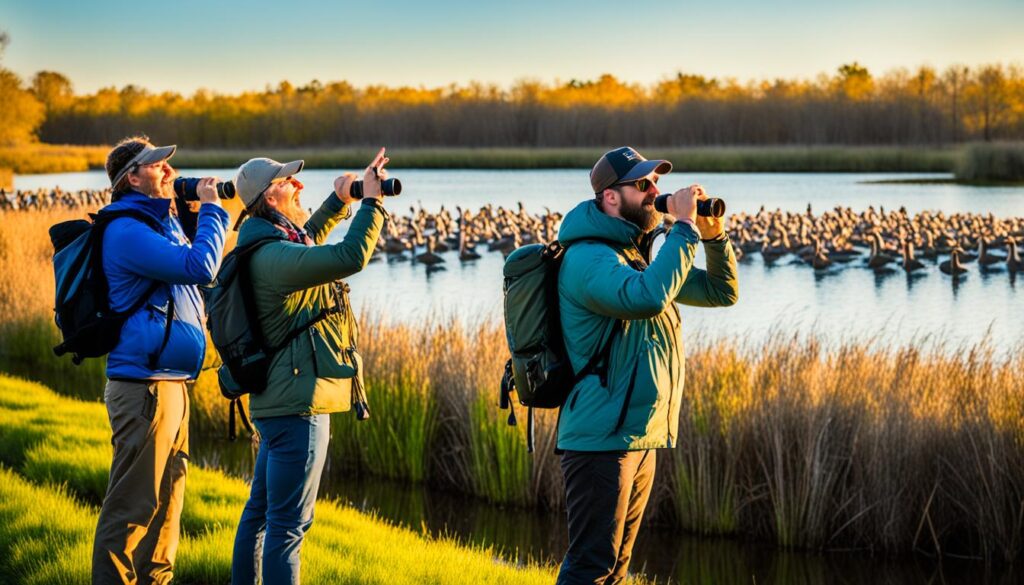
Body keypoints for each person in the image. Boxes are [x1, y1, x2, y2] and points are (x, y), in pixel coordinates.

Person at [555, 146, 739, 584]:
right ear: (610, 198)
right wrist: (686, 226)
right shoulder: (589, 259)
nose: (655, 191)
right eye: (643, 185)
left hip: (638, 434)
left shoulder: (636, 257)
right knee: (590, 568)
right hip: (601, 440)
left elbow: (721, 291)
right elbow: (649, 297)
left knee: (617, 568)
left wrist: (713, 237)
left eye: (655, 182)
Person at [229, 149, 390, 584]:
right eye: (288, 183)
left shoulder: (264, 245)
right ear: (271, 199)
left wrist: (340, 202)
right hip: (299, 407)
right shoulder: (274, 257)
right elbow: (349, 258)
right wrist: (373, 203)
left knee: (261, 515)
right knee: (288, 528)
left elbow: (310, 236)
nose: (299, 185)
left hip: (278, 403)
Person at [93, 136, 229, 584]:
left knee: (168, 509)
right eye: (157, 166)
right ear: (131, 177)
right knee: (133, 507)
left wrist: (190, 210)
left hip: (172, 384)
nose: (170, 171)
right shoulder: (127, 230)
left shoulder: (158, 222)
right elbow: (200, 268)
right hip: (144, 386)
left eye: (170, 165)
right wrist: (211, 209)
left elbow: (197, 269)